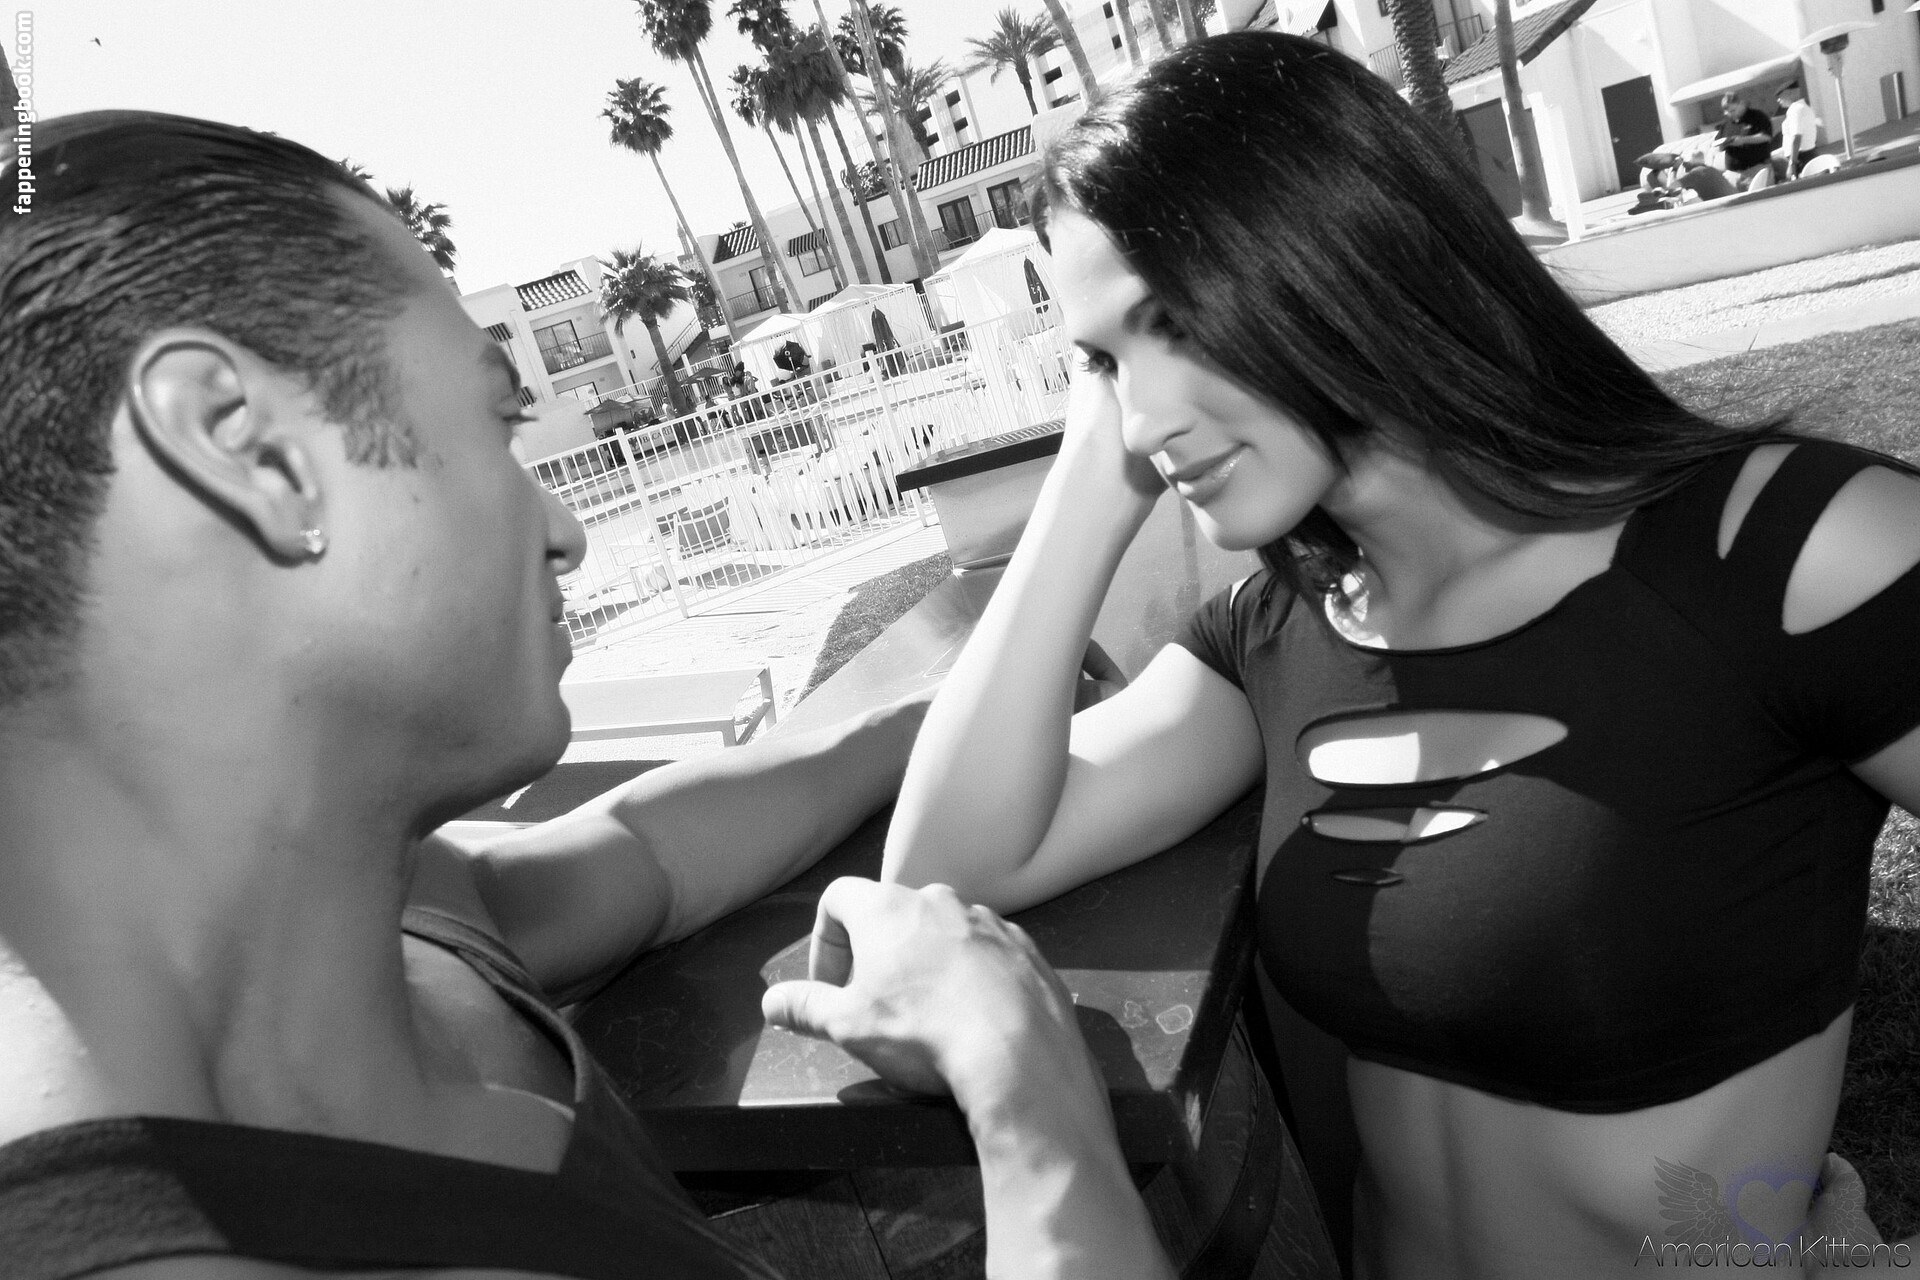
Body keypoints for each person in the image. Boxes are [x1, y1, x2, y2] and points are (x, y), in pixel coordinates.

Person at [0, 112, 1170, 1278]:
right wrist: (1031, 1099)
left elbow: (648, 849)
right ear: (243, 450)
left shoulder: (381, 917)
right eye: (499, 419)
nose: (565, 530)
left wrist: (916, 725)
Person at [881, 33, 1920, 1279]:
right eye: (1106, 362)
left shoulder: (1788, 555)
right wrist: (1089, 483)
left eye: (1178, 322)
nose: (1145, 417)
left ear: (1347, 253)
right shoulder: (1288, 629)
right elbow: (954, 859)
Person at [1714, 90, 1777, 190]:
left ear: (1741, 104)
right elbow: (1718, 142)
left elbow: (1766, 137)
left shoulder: (1757, 116)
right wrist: (1725, 144)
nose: (1730, 114)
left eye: (1733, 110)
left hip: (1756, 170)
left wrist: (1743, 140)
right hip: (1734, 175)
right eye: (1727, 112)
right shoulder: (1726, 124)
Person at [1779, 82, 1821, 179]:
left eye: (1781, 96)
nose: (1779, 100)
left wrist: (1792, 164)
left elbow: (1796, 137)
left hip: (1800, 159)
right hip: (1808, 155)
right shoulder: (1805, 108)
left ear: (1790, 93)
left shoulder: (1795, 110)